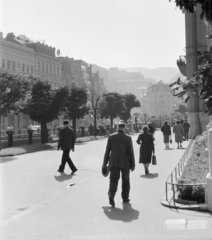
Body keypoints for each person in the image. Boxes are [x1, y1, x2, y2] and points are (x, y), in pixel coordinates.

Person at [102, 122, 135, 207]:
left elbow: (107, 151)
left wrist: (104, 163)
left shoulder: (111, 137)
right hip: (125, 163)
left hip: (113, 162)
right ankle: (125, 198)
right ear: (124, 128)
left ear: (117, 128)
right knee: (126, 181)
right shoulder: (128, 138)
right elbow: (131, 152)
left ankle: (111, 195)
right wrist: (133, 164)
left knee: (113, 180)